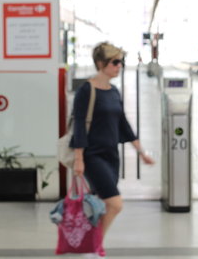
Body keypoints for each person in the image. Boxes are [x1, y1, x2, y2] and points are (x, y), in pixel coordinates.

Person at [71, 42, 155, 258]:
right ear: (101, 64)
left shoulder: (113, 91)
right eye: (115, 62)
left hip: (111, 156)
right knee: (116, 204)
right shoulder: (86, 90)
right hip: (92, 155)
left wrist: (141, 151)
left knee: (103, 203)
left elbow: (122, 123)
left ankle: (91, 243)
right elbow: (79, 125)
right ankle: (95, 242)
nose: (119, 66)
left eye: (121, 62)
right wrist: (79, 158)